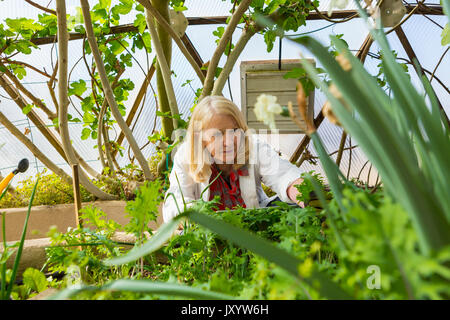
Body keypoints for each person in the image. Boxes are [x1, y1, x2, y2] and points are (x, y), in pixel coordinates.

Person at [162, 95, 305, 223]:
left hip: (254, 228)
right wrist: (196, 214)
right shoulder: (186, 156)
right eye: (218, 134)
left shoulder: (253, 146)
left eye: (235, 131)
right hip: (212, 234)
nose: (229, 141)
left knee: (293, 209)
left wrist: (304, 193)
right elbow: (176, 202)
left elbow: (283, 175)